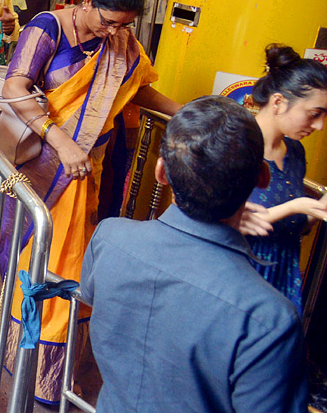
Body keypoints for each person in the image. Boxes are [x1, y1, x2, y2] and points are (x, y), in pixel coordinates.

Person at [0, 0, 180, 405]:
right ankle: (28, 365)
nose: (114, 34)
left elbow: (138, 90)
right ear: (86, 4)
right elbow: (14, 86)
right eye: (109, 22)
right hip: (45, 169)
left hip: (91, 172)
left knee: (75, 276)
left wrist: (189, 112)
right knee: (39, 269)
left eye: (125, 26)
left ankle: (56, 374)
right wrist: (61, 141)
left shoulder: (119, 39)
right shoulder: (48, 28)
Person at [82, 96, 309, 413]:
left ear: (161, 171)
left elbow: (93, 298)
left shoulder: (109, 237)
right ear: (263, 176)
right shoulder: (269, 319)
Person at [242, 45, 327, 308]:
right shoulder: (236, 147)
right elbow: (219, 222)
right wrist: (296, 206)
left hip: (282, 278)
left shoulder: (295, 152)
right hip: (241, 278)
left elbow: (292, 227)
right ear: (278, 102)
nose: (319, 126)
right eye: (315, 114)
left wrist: (315, 211)